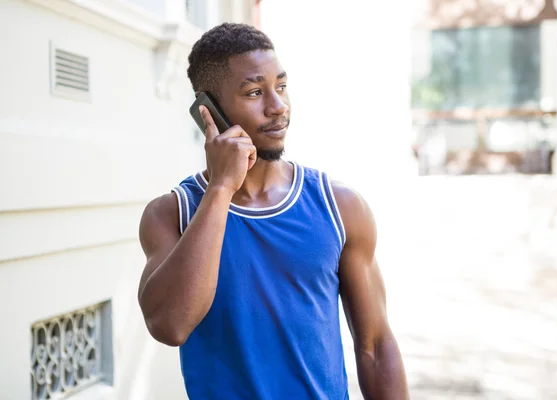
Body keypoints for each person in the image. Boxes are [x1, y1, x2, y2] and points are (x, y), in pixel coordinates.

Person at [137, 22, 410, 399]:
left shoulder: (340, 207)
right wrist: (221, 188)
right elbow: (170, 325)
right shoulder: (172, 214)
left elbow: (376, 346)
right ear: (208, 111)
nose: (277, 106)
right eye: (254, 91)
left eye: (280, 86)